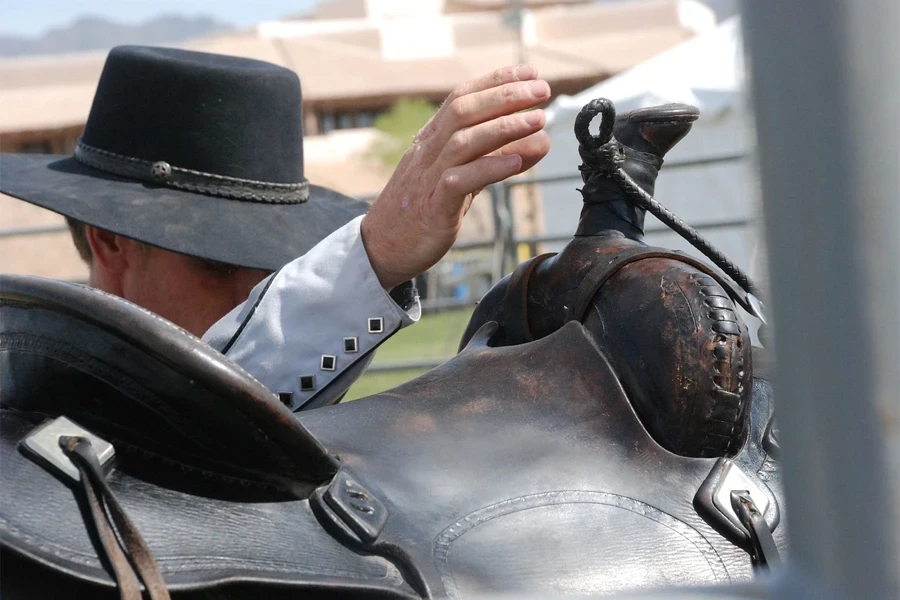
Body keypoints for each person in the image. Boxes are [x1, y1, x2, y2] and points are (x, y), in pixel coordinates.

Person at [0, 45, 551, 409]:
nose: (255, 295)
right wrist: (374, 254)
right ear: (110, 242)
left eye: (279, 264)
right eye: (216, 262)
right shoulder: (32, 401)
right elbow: (168, 423)